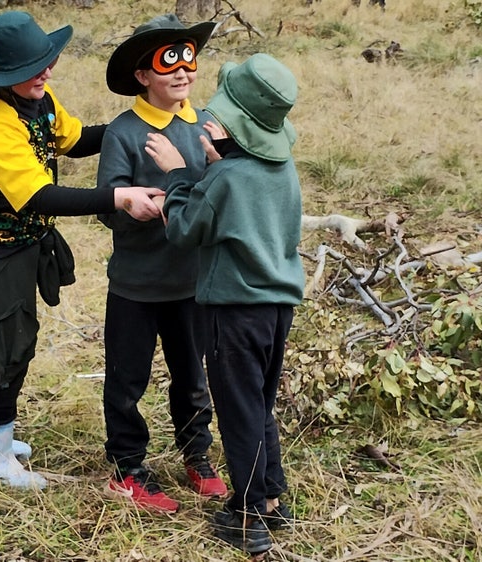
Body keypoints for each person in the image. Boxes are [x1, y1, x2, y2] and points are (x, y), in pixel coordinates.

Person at [0, 11, 164, 491]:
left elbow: (77, 140)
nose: (48, 71)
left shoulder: (38, 100)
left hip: (19, 244)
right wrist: (117, 197)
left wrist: (135, 122)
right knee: (8, 347)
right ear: (2, 76)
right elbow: (38, 196)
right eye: (34, 66)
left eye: (47, 60)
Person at [145, 53, 305, 554]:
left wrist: (175, 175)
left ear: (232, 128)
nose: (208, 121)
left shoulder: (224, 179)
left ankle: (248, 515)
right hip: (277, 308)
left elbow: (186, 230)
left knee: (237, 412)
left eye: (218, 117)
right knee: (258, 405)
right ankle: (272, 498)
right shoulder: (280, 171)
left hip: (233, 312)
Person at [96, 14, 227, 514]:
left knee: (193, 374)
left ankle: (197, 454)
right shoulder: (124, 133)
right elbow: (111, 205)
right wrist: (134, 208)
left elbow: (223, 194)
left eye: (188, 58)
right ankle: (128, 468)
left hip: (192, 281)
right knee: (127, 380)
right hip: (135, 283)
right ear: (142, 75)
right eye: (168, 61)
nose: (182, 71)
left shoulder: (207, 125)